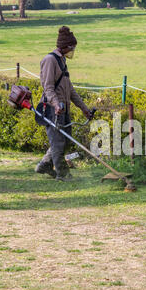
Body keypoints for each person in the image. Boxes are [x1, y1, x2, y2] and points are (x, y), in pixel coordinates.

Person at [35, 26, 92, 182]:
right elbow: (48, 87)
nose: (72, 51)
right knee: (58, 143)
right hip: (53, 109)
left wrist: (84, 109)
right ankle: (63, 175)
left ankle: (45, 164)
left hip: (63, 109)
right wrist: (56, 104)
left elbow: (70, 89)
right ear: (65, 46)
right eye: (71, 48)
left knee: (65, 141)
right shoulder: (50, 60)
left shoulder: (62, 60)